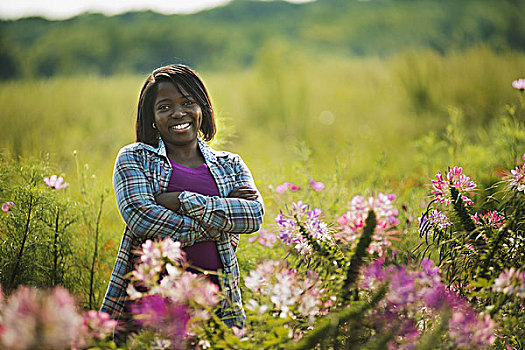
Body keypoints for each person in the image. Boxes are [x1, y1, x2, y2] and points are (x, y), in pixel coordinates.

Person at [100, 64, 264, 340]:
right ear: (152, 117)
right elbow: (141, 216)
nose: (178, 113)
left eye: (188, 102)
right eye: (164, 107)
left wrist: (182, 200)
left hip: (216, 309)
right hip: (151, 308)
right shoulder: (135, 158)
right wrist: (218, 223)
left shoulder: (230, 164)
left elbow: (253, 216)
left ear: (203, 109)